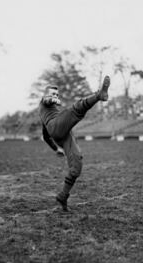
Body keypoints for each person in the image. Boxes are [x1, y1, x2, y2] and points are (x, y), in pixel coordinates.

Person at [39, 76, 110, 211]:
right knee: (75, 109)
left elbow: (45, 136)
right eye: (53, 93)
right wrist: (53, 99)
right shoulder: (44, 102)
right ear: (46, 94)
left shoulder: (47, 112)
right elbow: (47, 100)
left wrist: (56, 149)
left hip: (62, 135)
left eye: (57, 94)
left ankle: (63, 195)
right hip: (55, 126)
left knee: (77, 165)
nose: (55, 96)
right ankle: (98, 95)